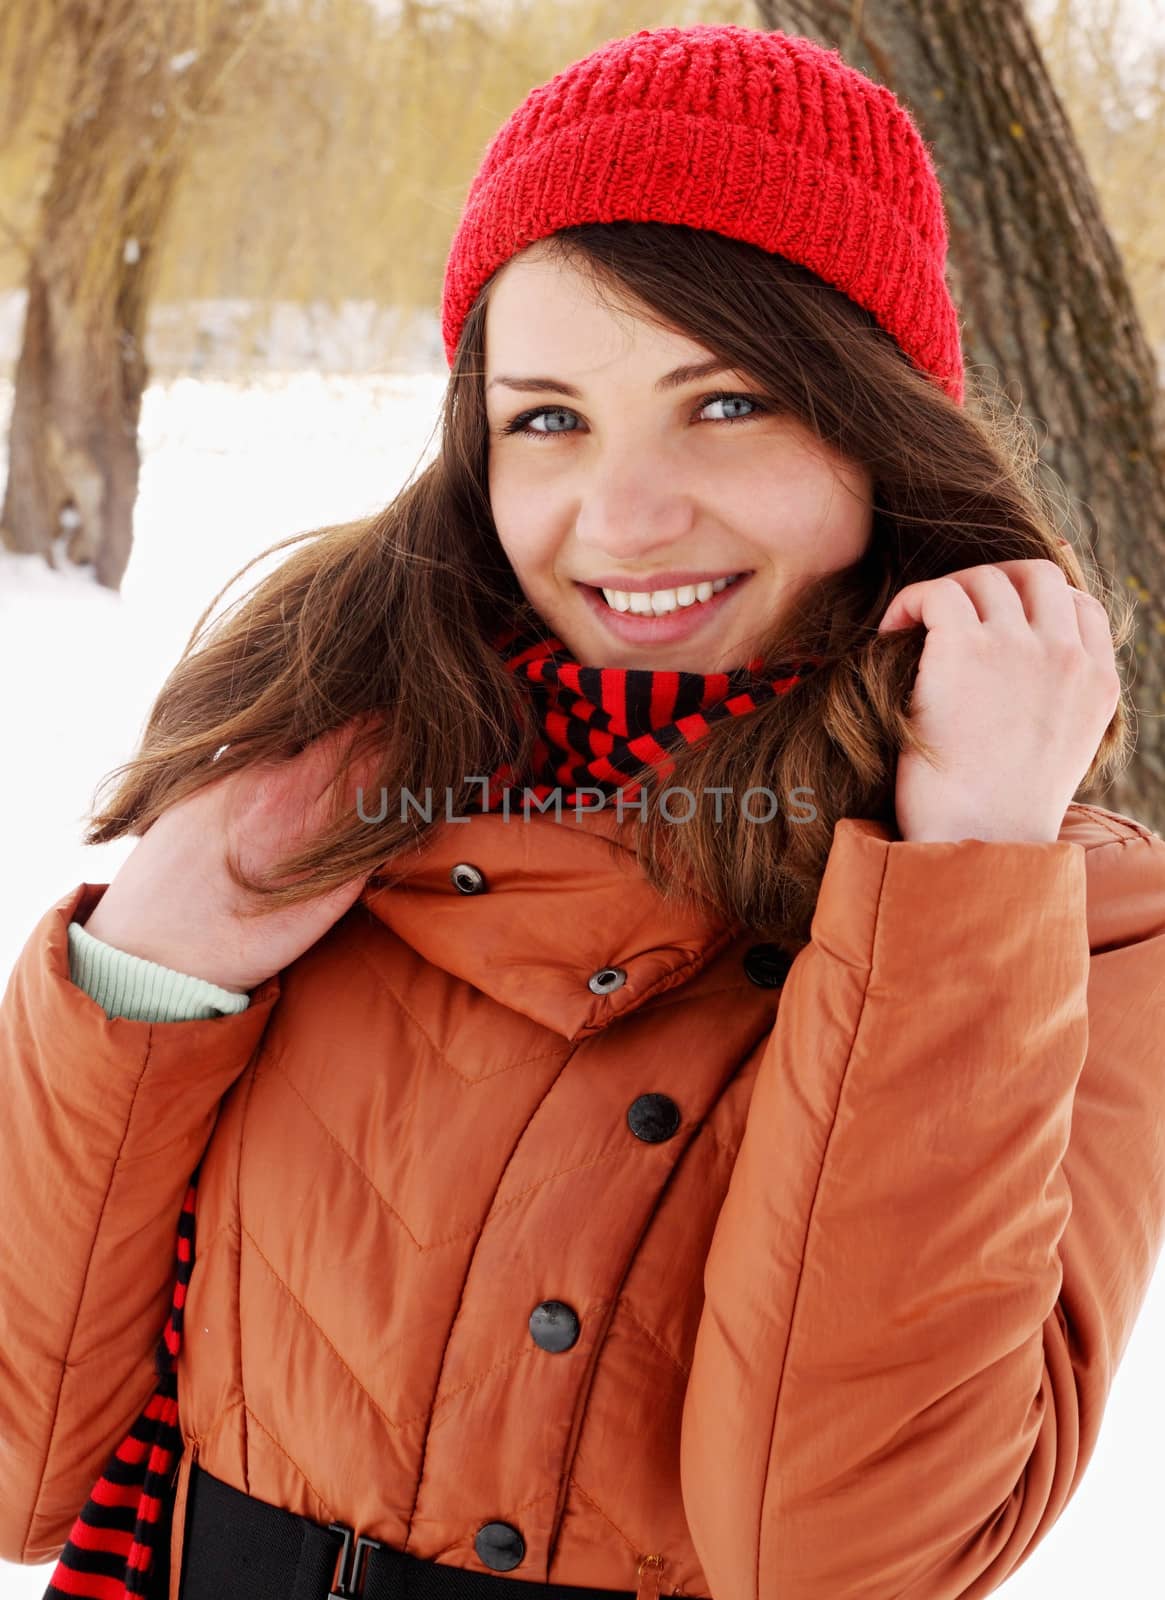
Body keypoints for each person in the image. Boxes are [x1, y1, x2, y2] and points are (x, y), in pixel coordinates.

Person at [2, 21, 1163, 1600]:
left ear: (878, 422)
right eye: (547, 418)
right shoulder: (331, 791)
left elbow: (844, 1558)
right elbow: (18, 1464)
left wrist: (959, 867)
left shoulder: (1064, 926)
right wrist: (146, 969)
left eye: (728, 403)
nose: (620, 518)